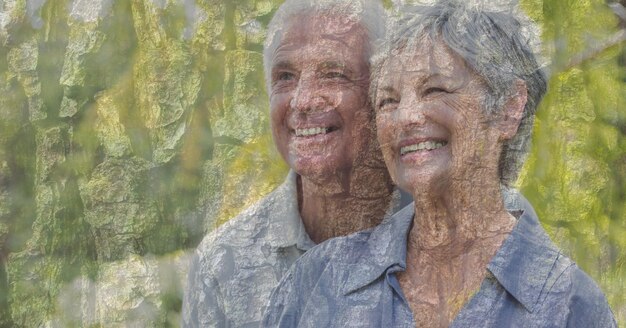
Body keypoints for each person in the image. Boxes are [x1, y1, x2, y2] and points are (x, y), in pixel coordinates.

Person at [261, 1, 617, 327]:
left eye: (435, 90)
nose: (406, 117)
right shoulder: (316, 281)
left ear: (509, 106)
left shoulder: (571, 304)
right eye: (388, 101)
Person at [181, 1, 413, 326]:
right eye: (286, 77)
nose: (302, 101)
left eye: (333, 73)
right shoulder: (223, 263)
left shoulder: (448, 234)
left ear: (385, 94)